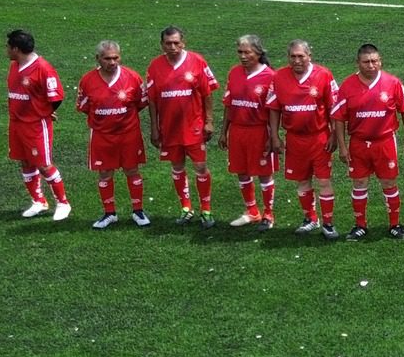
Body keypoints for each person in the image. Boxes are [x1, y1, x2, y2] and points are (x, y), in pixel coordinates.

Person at [331, 43, 404, 240]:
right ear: (358, 63)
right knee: (359, 183)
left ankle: (395, 224)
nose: (371, 65)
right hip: (358, 143)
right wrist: (342, 147)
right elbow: (339, 119)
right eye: (366, 62)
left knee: (389, 182)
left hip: (384, 142)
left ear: (380, 61)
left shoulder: (393, 83)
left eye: (374, 61)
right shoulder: (347, 86)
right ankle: (360, 225)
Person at [143, 26, 219, 226]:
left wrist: (209, 121)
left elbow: (207, 93)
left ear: (183, 42)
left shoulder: (197, 61)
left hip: (194, 126)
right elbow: (152, 100)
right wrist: (154, 128)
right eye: (168, 43)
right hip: (169, 128)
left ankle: (206, 210)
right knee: (177, 167)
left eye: (176, 42)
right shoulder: (154, 67)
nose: (173, 47)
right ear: (162, 45)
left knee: (201, 167)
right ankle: (186, 208)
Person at [267, 39, 341, 238]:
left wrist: (334, 134)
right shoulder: (279, 77)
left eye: (301, 56)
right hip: (294, 139)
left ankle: (328, 222)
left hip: (319, 138)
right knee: (302, 180)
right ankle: (310, 218)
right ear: (288, 57)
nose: (297, 60)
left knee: (324, 180)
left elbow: (335, 108)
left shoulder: (324, 75)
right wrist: (274, 135)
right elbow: (274, 109)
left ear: (310, 56)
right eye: (293, 56)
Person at [74, 40, 150, 229]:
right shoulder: (87, 80)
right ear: (98, 59)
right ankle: (109, 213)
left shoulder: (132, 77)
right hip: (102, 135)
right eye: (107, 58)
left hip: (128, 134)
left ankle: (138, 210)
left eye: (116, 57)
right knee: (105, 173)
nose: (112, 62)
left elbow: (141, 102)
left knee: (132, 170)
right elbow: (83, 106)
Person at [3, 29, 70, 221]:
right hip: (16, 123)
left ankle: (63, 203)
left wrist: (45, 112)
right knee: (25, 162)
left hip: (35, 125)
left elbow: (56, 96)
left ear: (16, 49)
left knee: (44, 165)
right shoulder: (15, 65)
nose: (6, 50)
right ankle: (38, 201)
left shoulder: (43, 68)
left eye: (8, 46)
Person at [221, 35, 277, 229]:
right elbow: (229, 104)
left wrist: (272, 136)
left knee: (264, 174)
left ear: (258, 53)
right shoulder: (234, 73)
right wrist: (223, 132)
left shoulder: (270, 76)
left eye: (247, 52)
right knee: (242, 172)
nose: (243, 56)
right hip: (237, 131)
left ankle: (268, 214)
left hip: (259, 131)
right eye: (240, 52)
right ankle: (252, 211)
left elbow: (273, 111)